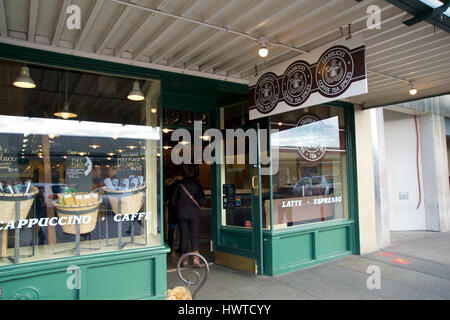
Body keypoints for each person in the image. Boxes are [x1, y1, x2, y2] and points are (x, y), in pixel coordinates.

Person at [171, 165, 206, 267]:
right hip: (194, 214)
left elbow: (173, 201)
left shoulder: (179, 185)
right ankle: (196, 260)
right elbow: (202, 200)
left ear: (183, 174)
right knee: (194, 236)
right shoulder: (197, 185)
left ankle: (185, 260)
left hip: (181, 214)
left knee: (184, 236)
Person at [164, 170, 183, 252]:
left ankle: (170, 247)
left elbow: (166, 195)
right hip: (181, 210)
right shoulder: (183, 184)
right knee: (182, 229)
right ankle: (182, 248)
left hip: (172, 209)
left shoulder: (169, 184)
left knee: (171, 229)